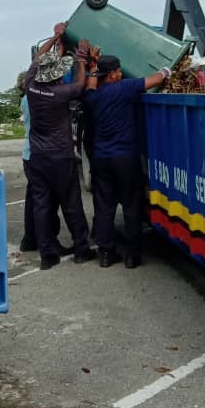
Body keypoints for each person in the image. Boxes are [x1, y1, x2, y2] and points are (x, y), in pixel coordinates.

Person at [84, 55, 170, 268]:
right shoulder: (123, 88)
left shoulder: (91, 96)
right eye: (119, 71)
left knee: (104, 207)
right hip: (124, 158)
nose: (121, 73)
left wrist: (93, 67)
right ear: (112, 74)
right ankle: (132, 255)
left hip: (101, 158)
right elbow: (155, 80)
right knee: (131, 204)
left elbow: (91, 82)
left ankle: (105, 253)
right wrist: (166, 71)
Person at [26, 23, 96, 270]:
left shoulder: (31, 86)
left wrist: (55, 38)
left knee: (42, 205)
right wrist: (81, 60)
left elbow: (37, 59)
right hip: (61, 157)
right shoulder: (61, 93)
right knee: (71, 203)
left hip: (38, 157)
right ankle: (81, 248)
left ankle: (48, 255)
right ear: (56, 74)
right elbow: (80, 84)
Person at [17, 71, 66, 255]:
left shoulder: (25, 100)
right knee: (47, 203)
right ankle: (49, 241)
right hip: (40, 155)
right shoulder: (36, 99)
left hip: (29, 156)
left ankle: (30, 239)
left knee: (34, 201)